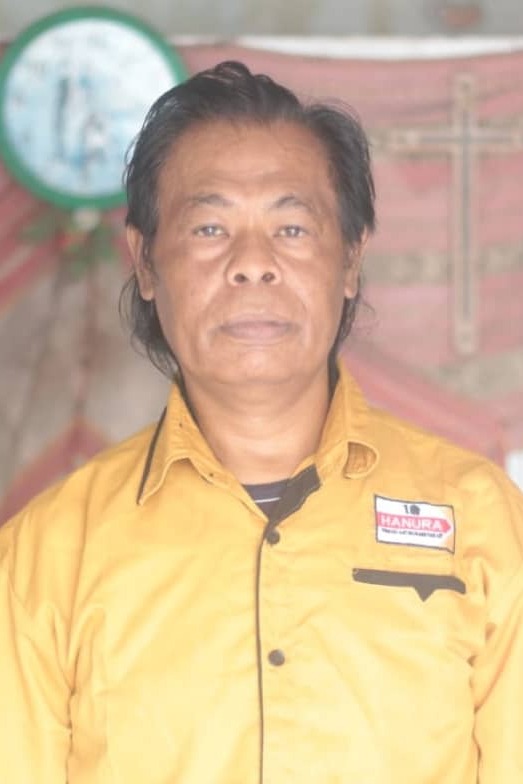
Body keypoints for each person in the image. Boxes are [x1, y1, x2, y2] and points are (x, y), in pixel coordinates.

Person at [0, 60, 522, 784]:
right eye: (210, 227)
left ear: (350, 260)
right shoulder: (46, 553)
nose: (252, 264)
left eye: (292, 227)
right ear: (145, 263)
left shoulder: (483, 519)